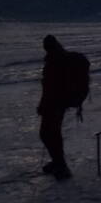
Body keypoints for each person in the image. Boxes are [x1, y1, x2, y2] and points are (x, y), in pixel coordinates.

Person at [37, 34, 74, 179]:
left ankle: (61, 165)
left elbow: (51, 87)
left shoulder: (56, 60)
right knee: (51, 134)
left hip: (55, 104)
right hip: (56, 104)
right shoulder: (58, 58)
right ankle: (58, 163)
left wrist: (45, 104)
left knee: (48, 134)